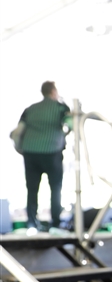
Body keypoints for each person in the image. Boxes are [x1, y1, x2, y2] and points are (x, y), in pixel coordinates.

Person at [17, 81, 71, 230]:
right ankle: (55, 224)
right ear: (53, 92)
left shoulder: (30, 109)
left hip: (30, 153)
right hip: (52, 152)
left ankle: (32, 224)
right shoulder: (60, 107)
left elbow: (17, 132)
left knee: (32, 189)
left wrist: (19, 148)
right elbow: (70, 124)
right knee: (55, 188)